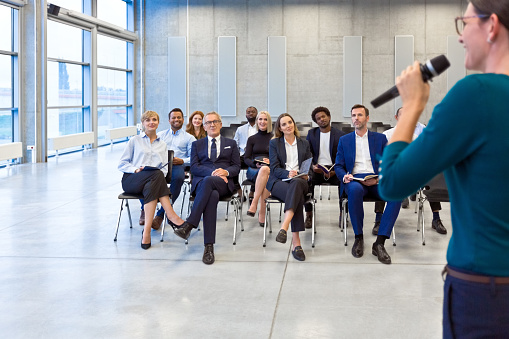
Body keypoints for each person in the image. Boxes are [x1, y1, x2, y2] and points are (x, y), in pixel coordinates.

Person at [378, 1, 509, 337]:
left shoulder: (476, 95)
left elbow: (392, 182)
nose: (462, 36)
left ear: (491, 26)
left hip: (488, 290)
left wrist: (411, 106)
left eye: (463, 23)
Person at [334, 104, 401, 264]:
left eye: (360, 115)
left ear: (367, 118)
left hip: (376, 179)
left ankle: (379, 243)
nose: (356, 118)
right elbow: (338, 165)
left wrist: (378, 179)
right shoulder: (344, 140)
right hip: (356, 180)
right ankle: (359, 237)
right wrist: (344, 176)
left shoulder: (380, 138)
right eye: (353, 115)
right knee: (355, 191)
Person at [174, 112, 241, 265]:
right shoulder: (196, 144)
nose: (212, 124)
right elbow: (195, 167)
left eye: (215, 121)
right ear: (204, 126)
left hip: (224, 183)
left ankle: (189, 224)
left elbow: (237, 167)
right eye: (208, 122)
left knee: (211, 184)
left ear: (220, 124)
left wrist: (226, 172)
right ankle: (208, 247)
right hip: (203, 184)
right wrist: (213, 173)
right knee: (212, 196)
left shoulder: (231, 143)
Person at [118, 110, 185, 250]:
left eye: (154, 119)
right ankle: (171, 215)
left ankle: (146, 232)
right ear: (143, 123)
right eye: (147, 120)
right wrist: (135, 169)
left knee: (156, 176)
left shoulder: (163, 144)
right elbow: (122, 164)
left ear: (158, 123)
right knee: (156, 174)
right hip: (132, 179)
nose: (151, 122)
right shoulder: (134, 140)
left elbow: (164, 169)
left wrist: (155, 173)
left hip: (152, 183)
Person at [382, 107, 447, 234]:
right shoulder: (386, 135)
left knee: (431, 180)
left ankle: (436, 218)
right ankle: (379, 220)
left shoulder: (416, 136)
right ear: (396, 118)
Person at [139, 108, 196, 229]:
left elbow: (194, 157)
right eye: (173, 117)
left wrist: (182, 160)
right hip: (159, 165)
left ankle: (160, 215)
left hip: (177, 166)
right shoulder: (160, 135)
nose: (176, 119)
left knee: (179, 178)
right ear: (169, 120)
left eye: (179, 117)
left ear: (183, 119)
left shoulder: (189, 138)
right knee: (142, 175)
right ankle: (144, 208)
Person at [267, 113, 313, 262]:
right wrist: (288, 172)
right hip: (279, 181)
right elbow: (273, 169)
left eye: (290, 122)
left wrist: (305, 175)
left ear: (294, 123)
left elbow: (309, 167)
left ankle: (284, 227)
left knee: (297, 185)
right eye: (284, 124)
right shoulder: (275, 143)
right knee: (296, 195)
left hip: (300, 181)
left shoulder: (304, 143)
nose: (288, 126)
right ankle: (296, 244)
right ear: (280, 128)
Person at [305, 106, 345, 228]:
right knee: (306, 182)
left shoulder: (340, 135)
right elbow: (307, 153)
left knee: (345, 182)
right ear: (316, 122)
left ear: (329, 117)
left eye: (323, 116)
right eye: (318, 118)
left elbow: (343, 156)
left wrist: (334, 171)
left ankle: (342, 214)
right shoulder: (312, 133)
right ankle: (309, 215)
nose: (322, 119)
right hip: (317, 168)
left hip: (334, 169)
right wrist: (312, 166)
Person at [244, 111, 273, 227]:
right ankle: (261, 210)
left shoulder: (274, 138)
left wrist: (270, 162)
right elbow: (246, 158)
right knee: (264, 172)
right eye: (260, 119)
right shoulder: (252, 139)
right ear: (257, 121)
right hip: (253, 169)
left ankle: (254, 204)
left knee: (265, 171)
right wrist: (254, 164)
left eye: (265, 119)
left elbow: (278, 158)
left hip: (269, 169)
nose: (262, 122)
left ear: (269, 122)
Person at [234, 106, 258, 201]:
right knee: (232, 168)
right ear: (245, 115)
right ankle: (239, 192)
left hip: (256, 156)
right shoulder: (240, 129)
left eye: (253, 112)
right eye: (248, 112)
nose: (250, 113)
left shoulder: (261, 127)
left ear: (257, 114)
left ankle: (252, 191)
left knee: (259, 168)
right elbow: (235, 144)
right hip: (243, 155)